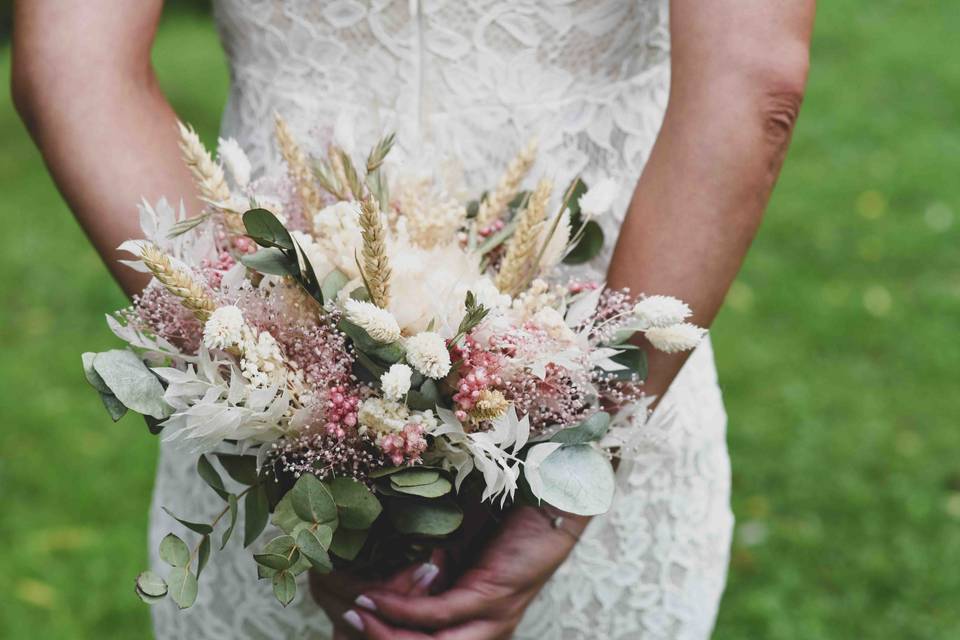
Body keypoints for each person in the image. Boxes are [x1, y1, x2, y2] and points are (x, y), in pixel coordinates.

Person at [12, 1, 815, 638]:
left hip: (277, 390)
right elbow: (752, 81)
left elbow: (75, 68)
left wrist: (277, 401)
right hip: (600, 346)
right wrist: (576, 467)